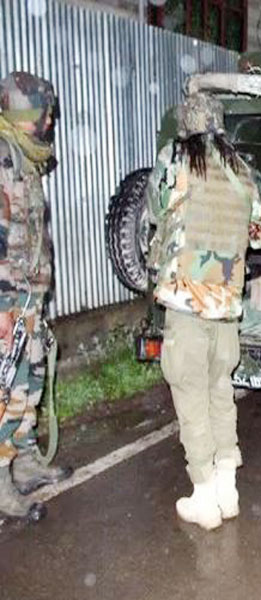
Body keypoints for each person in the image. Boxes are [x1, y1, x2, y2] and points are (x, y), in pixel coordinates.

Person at [148, 93, 261, 530]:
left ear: (186, 125)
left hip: (187, 302)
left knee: (190, 394)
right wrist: (245, 234)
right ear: (219, 125)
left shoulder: (177, 158)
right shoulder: (241, 169)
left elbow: (155, 207)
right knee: (219, 392)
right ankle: (227, 491)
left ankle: (203, 498)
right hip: (227, 305)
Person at [0, 72, 73, 523]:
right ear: (29, 113)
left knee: (27, 384)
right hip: (8, 300)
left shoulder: (24, 156)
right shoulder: (4, 158)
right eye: (45, 113)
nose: (49, 121)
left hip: (27, 299)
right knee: (5, 389)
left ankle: (24, 461)